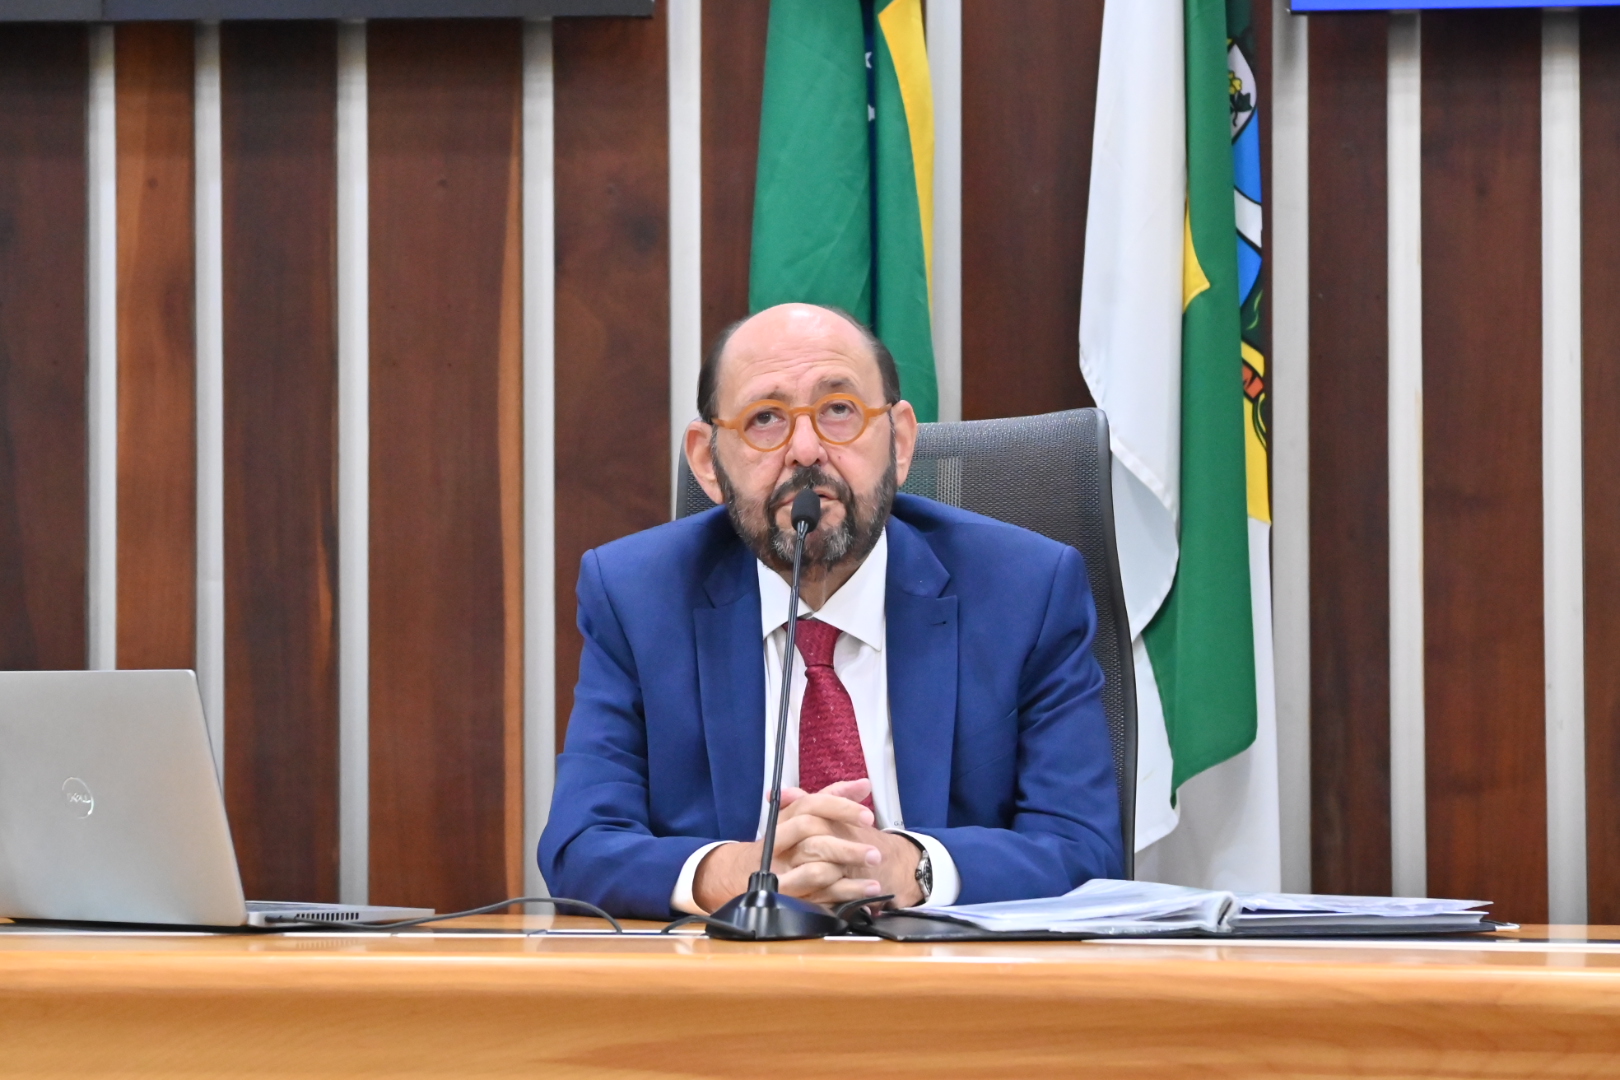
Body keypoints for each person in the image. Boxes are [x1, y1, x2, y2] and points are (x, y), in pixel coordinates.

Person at [539, 303, 1122, 920]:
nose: (806, 450)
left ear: (900, 442)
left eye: (838, 410)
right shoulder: (637, 595)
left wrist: (909, 867)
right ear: (708, 461)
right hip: (730, 973)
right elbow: (581, 846)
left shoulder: (1025, 590)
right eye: (765, 419)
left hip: (949, 973)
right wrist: (742, 873)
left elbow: (1084, 848)